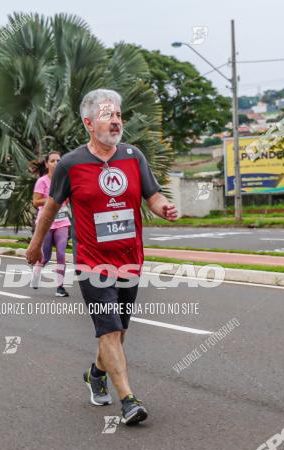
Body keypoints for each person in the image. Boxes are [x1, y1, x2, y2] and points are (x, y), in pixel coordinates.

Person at [26, 88, 177, 426]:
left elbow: (152, 195)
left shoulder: (133, 156)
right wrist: (36, 246)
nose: (116, 121)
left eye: (119, 115)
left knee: (119, 330)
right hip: (92, 261)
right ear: (89, 123)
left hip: (129, 258)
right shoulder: (71, 163)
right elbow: (51, 208)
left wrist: (163, 206)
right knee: (108, 330)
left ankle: (96, 372)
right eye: (109, 115)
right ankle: (129, 400)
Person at [31, 151, 70, 297]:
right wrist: (52, 201)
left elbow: (68, 199)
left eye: (59, 160)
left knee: (61, 253)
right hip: (46, 222)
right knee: (45, 256)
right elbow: (35, 201)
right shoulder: (42, 181)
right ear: (47, 164)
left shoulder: (66, 180)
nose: (56, 163)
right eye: (52, 161)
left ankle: (60, 287)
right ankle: (36, 273)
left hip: (62, 221)